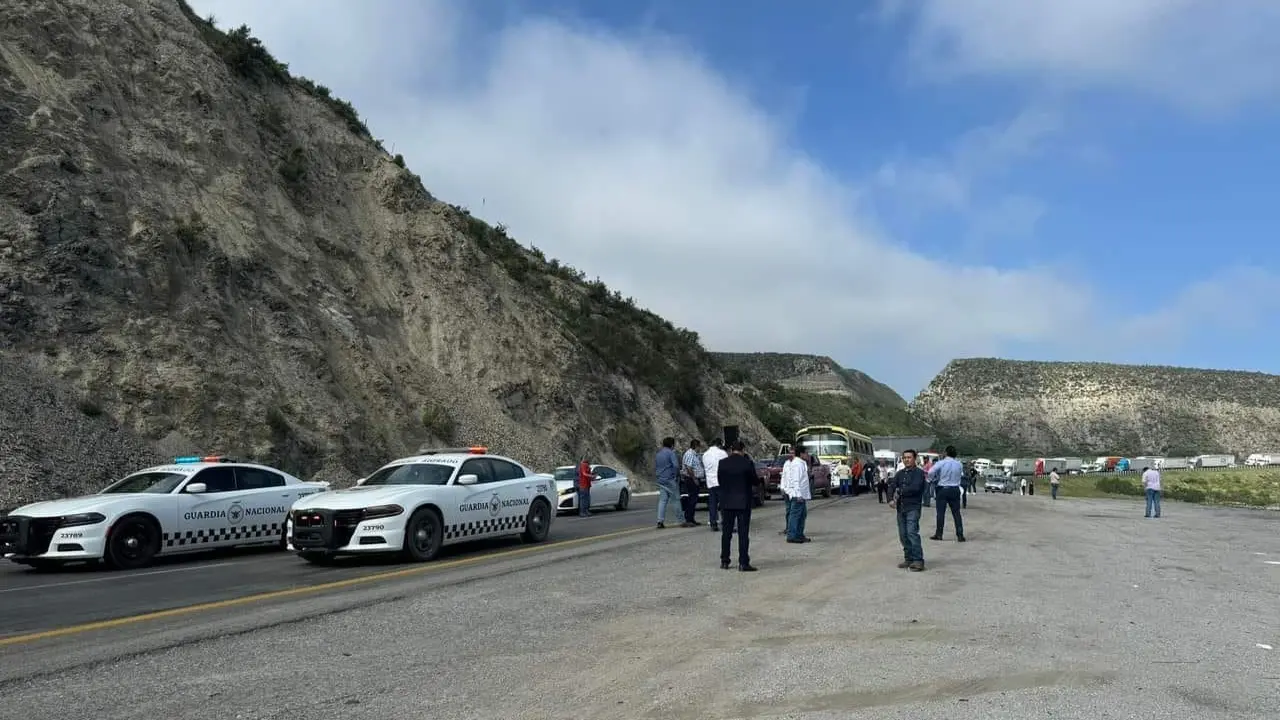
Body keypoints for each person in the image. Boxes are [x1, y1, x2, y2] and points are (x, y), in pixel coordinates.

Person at [716, 439, 758, 571]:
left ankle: (724, 560)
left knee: (726, 533)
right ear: (743, 450)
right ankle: (743, 562)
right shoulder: (747, 463)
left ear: (730, 450)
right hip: (743, 502)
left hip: (726, 502)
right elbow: (754, 481)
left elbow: (719, 480)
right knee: (743, 533)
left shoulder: (722, 463)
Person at [889, 449, 927, 571]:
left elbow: (915, 488)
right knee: (903, 535)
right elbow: (892, 486)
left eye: (909, 457)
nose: (906, 459)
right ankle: (908, 558)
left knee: (912, 533)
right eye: (904, 457)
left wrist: (900, 491)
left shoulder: (919, 473)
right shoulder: (900, 474)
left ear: (914, 458)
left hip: (913, 507)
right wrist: (890, 499)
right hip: (901, 508)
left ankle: (918, 560)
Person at [927, 445, 966, 542]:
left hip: (943, 488)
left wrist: (932, 479)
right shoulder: (959, 464)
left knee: (940, 513)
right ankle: (960, 534)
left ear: (946, 453)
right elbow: (961, 474)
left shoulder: (941, 463)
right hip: (955, 488)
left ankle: (939, 534)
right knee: (956, 513)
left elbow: (931, 471)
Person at [781, 446, 812, 543]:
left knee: (802, 515)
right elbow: (795, 480)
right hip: (797, 495)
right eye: (806, 453)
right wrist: (798, 494)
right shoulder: (798, 464)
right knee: (795, 515)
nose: (808, 455)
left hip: (801, 494)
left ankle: (799, 534)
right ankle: (792, 535)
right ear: (801, 454)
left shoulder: (800, 463)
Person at [702, 438, 729, 532]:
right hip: (721, 481)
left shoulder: (705, 454)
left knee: (712, 504)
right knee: (724, 504)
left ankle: (713, 523)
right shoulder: (722, 453)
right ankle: (725, 522)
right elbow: (727, 467)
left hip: (710, 482)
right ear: (720, 444)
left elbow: (705, 468)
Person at [654, 437, 681, 528]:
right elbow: (676, 466)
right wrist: (675, 475)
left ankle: (660, 521)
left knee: (662, 501)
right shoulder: (671, 453)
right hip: (670, 479)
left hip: (661, 479)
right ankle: (681, 520)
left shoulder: (658, 454)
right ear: (672, 445)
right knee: (676, 500)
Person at [680, 439, 704, 527]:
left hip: (694, 478)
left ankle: (692, 519)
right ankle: (688, 519)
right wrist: (694, 479)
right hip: (691, 479)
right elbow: (688, 468)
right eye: (699, 447)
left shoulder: (695, 454)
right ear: (696, 446)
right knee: (692, 499)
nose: (699, 449)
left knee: (694, 499)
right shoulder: (690, 454)